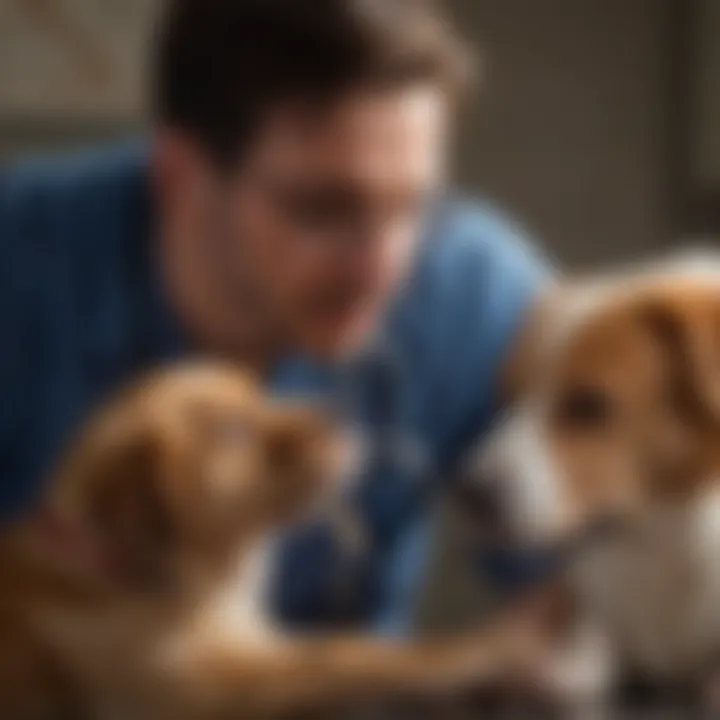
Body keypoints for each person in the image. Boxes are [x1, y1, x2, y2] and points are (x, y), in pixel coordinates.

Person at [0, 0, 547, 634]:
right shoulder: (22, 263)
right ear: (180, 175)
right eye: (324, 210)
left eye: (413, 208)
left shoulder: (469, 287)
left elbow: (595, 577)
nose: (382, 269)